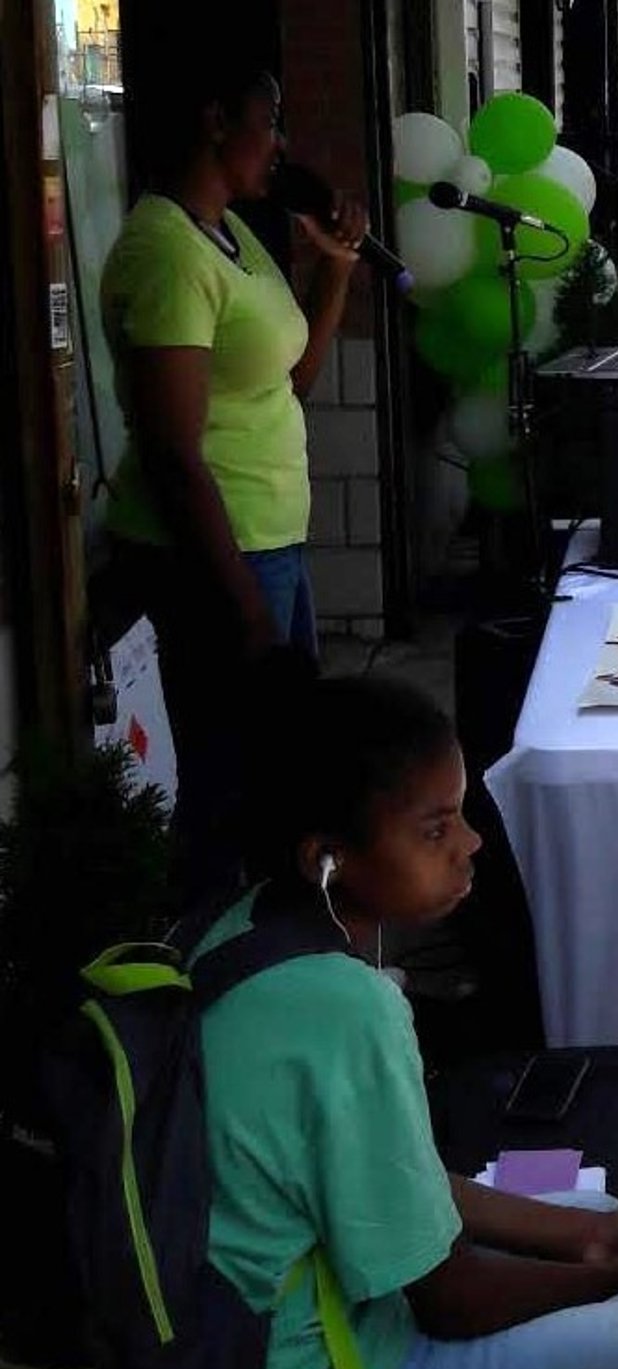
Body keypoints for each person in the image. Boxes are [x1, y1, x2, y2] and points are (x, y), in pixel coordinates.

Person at [212, 674, 618, 1369]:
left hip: (285, 1333)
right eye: (435, 826)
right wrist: (616, 1279)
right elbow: (452, 1301)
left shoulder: (248, 935)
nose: (469, 844)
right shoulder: (343, 1010)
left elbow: (410, 1183)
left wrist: (584, 1242)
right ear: (330, 859)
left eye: (461, 813)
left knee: (591, 1218)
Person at [100, 60, 366, 897]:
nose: (281, 141)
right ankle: (219, 983)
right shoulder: (167, 250)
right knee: (229, 790)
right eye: (270, 119)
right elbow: (175, 451)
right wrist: (244, 608)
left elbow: (289, 384)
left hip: (270, 545)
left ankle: (280, 950)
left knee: (284, 778)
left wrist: (335, 272)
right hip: (218, 563)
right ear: (217, 121)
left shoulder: (229, 232)